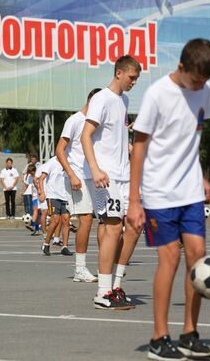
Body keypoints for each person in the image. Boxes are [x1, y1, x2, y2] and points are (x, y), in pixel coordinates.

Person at [127, 38, 210, 360]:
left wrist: (203, 176)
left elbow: (190, 140)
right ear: (181, 67)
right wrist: (134, 200)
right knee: (170, 258)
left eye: (204, 81)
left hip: (190, 190)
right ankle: (158, 337)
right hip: (159, 192)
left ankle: (189, 333)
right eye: (195, 80)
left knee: (198, 255)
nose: (199, 86)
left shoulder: (204, 91)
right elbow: (138, 147)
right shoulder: (157, 95)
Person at [81, 55, 142, 310]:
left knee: (135, 224)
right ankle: (102, 291)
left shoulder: (123, 100)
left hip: (123, 174)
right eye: (131, 78)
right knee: (113, 227)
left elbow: (115, 137)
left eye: (137, 79)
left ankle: (116, 285)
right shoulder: (102, 99)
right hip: (105, 175)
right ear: (119, 73)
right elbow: (86, 136)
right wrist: (95, 169)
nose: (133, 83)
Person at [56, 88, 102, 283]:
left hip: (94, 177)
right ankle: (80, 269)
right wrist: (71, 174)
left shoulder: (96, 123)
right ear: (91, 101)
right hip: (78, 177)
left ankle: (105, 266)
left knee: (107, 221)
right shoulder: (74, 120)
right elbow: (59, 149)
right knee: (86, 220)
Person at [38, 156, 72, 256]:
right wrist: (42, 193)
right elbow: (41, 179)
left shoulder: (69, 161)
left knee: (66, 220)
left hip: (65, 196)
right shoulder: (51, 162)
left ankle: (64, 247)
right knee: (55, 220)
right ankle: (46, 244)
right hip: (53, 196)